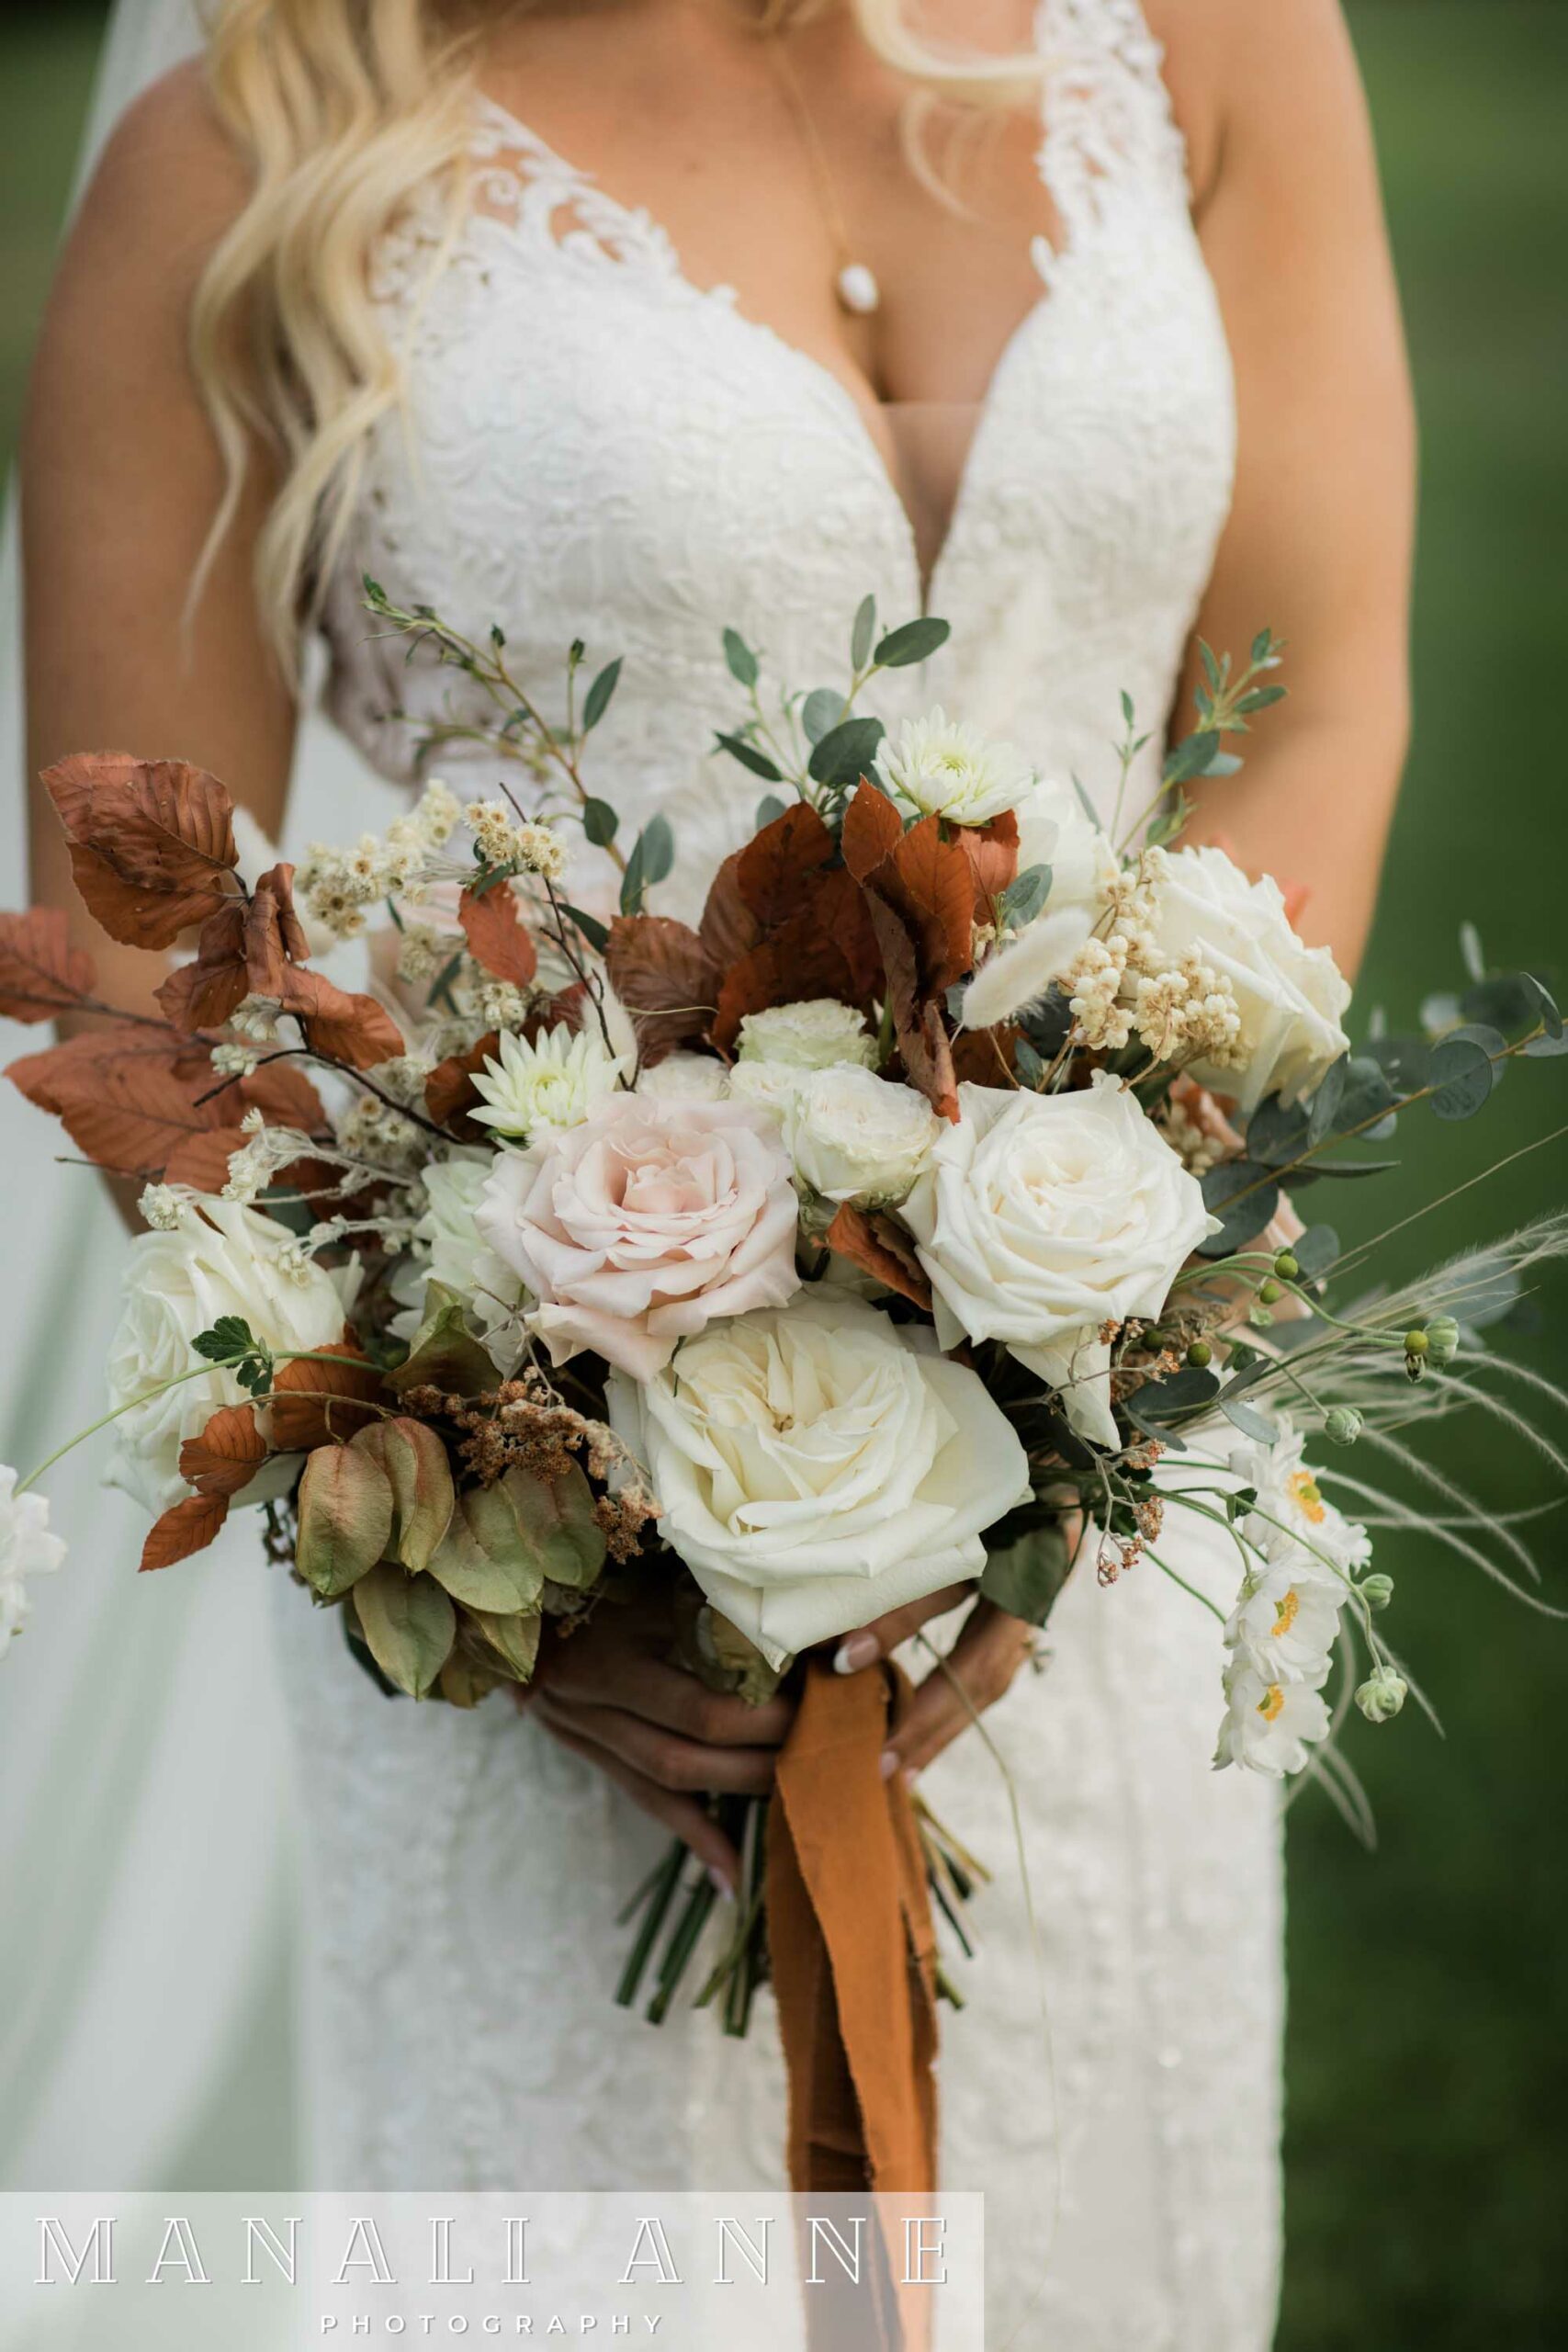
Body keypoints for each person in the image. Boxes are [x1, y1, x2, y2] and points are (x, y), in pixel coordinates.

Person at [19, 2, 1413, 2339]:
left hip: (1107, 1494)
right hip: (581, 1571)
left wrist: (1098, 1329)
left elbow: (1317, 685)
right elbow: (129, 964)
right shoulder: (245, 164)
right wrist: (496, 1505)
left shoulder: (1208, 38)